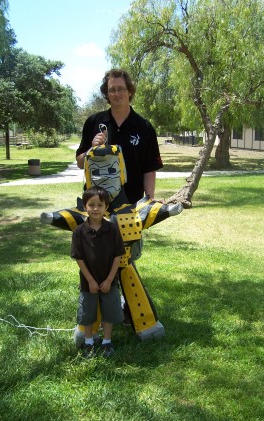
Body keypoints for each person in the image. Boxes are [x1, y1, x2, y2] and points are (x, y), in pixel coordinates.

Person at [76, 68, 164, 204]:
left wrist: (149, 200)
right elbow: (80, 163)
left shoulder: (144, 127)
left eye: (121, 89)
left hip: (132, 203)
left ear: (130, 91)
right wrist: (92, 150)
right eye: (112, 90)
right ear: (107, 94)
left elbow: (149, 169)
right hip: (97, 207)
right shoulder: (93, 122)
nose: (117, 94)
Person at [71, 186, 126, 358]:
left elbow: (118, 256)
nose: (95, 209)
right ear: (84, 206)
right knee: (88, 313)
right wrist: (91, 281)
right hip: (89, 283)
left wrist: (110, 280)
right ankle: (88, 343)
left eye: (100, 205)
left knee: (109, 312)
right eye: (91, 204)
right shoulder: (79, 232)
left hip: (109, 281)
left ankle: (107, 342)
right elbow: (79, 258)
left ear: (106, 207)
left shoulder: (113, 230)